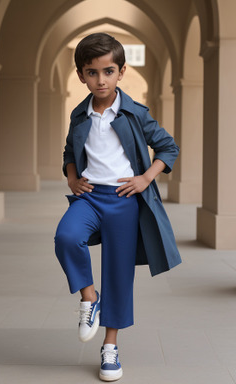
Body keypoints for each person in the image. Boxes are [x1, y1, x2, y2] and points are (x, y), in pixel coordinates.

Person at [54, 32, 181, 382]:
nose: (100, 80)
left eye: (108, 71)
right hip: (90, 197)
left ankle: (110, 348)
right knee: (66, 237)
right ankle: (89, 298)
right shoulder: (79, 115)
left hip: (124, 200)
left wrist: (145, 178)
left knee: (119, 274)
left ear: (121, 72)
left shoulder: (135, 113)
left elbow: (168, 148)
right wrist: (70, 178)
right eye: (92, 72)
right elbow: (69, 152)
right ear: (81, 75)